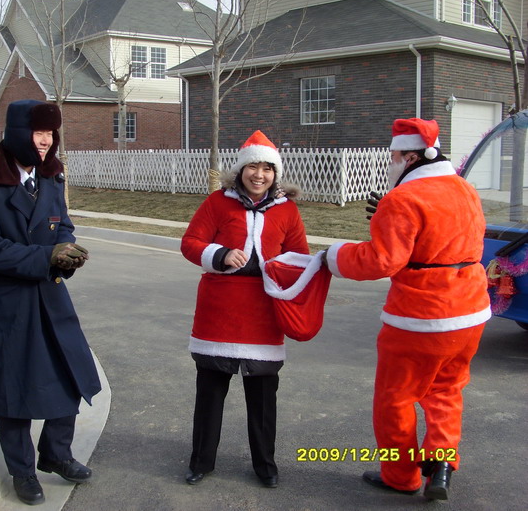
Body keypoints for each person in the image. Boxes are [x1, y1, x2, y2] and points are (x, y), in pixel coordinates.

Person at [324, 118, 491, 500]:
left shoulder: (402, 199)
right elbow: (448, 237)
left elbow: (380, 261)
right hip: (469, 312)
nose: (390, 163)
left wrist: (335, 255)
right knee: (447, 391)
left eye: (395, 156)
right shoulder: (465, 189)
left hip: (421, 317)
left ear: (412, 156)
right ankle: (442, 465)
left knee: (395, 397)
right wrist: (385, 217)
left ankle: (401, 476)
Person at [0, 99, 101, 506]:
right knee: (13, 389)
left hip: (49, 294)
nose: (45, 141)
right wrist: (46, 257)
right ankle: (22, 472)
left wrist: (66, 251)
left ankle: (56, 455)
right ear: (18, 132)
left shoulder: (52, 179)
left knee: (69, 372)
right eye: (38, 132)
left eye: (50, 133)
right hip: (5, 304)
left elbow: (63, 226)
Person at [181, 130, 309, 488]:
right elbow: (190, 243)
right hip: (218, 311)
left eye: (267, 168)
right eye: (253, 166)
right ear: (240, 170)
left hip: (264, 314)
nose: (259, 175)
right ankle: (201, 461)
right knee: (210, 393)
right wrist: (218, 255)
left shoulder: (288, 210)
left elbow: (301, 255)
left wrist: (284, 267)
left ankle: (265, 466)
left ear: (275, 174)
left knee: (264, 397)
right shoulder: (217, 203)